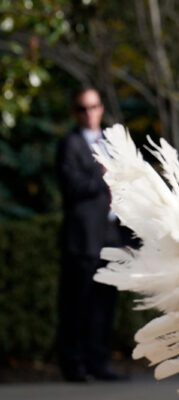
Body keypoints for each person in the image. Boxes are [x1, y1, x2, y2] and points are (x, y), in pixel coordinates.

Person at [56, 87, 131, 382]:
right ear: (76, 112)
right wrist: (101, 172)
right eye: (83, 108)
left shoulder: (112, 143)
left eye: (94, 106)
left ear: (101, 108)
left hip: (110, 237)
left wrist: (125, 238)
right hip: (82, 240)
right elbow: (71, 188)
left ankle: (99, 363)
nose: (90, 113)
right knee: (77, 306)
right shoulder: (70, 145)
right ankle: (73, 366)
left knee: (104, 306)